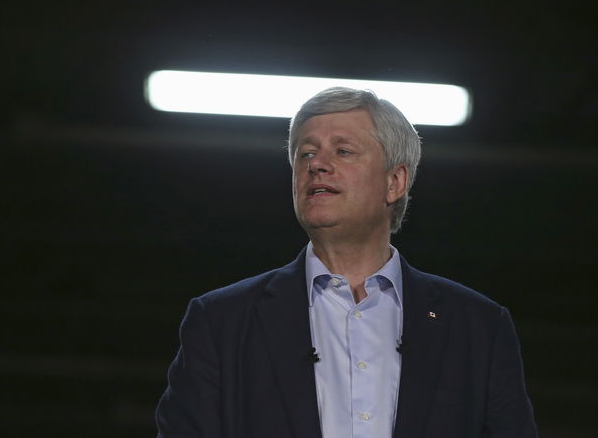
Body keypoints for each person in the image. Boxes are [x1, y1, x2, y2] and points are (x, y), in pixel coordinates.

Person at [156, 87, 538, 438]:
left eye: (343, 151)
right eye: (306, 153)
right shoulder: (220, 321)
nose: (316, 165)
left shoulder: (477, 326)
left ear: (395, 182)